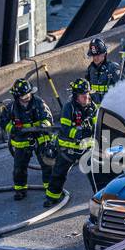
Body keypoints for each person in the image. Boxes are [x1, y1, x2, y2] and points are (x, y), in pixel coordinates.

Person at [0, 78, 54, 200]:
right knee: (19, 168)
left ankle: (51, 190)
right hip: (22, 141)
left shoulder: (39, 103)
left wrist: (43, 125)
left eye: (28, 94)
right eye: (23, 95)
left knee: (47, 164)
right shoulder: (12, 107)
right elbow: (3, 121)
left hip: (40, 138)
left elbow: (48, 118)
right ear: (17, 96)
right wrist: (12, 129)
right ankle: (20, 190)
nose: (26, 97)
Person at [46, 79, 97, 207]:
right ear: (75, 96)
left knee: (95, 173)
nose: (86, 97)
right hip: (68, 148)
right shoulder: (68, 108)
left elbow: (97, 124)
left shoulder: (92, 106)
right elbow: (66, 129)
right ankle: (52, 197)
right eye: (83, 95)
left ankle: (101, 198)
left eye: (87, 94)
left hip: (86, 147)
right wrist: (81, 133)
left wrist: (95, 130)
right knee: (59, 172)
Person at [83, 37, 121, 105]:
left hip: (110, 106)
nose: (95, 58)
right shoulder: (90, 69)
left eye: (98, 55)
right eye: (93, 55)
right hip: (95, 108)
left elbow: (121, 88)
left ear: (104, 54)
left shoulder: (113, 68)